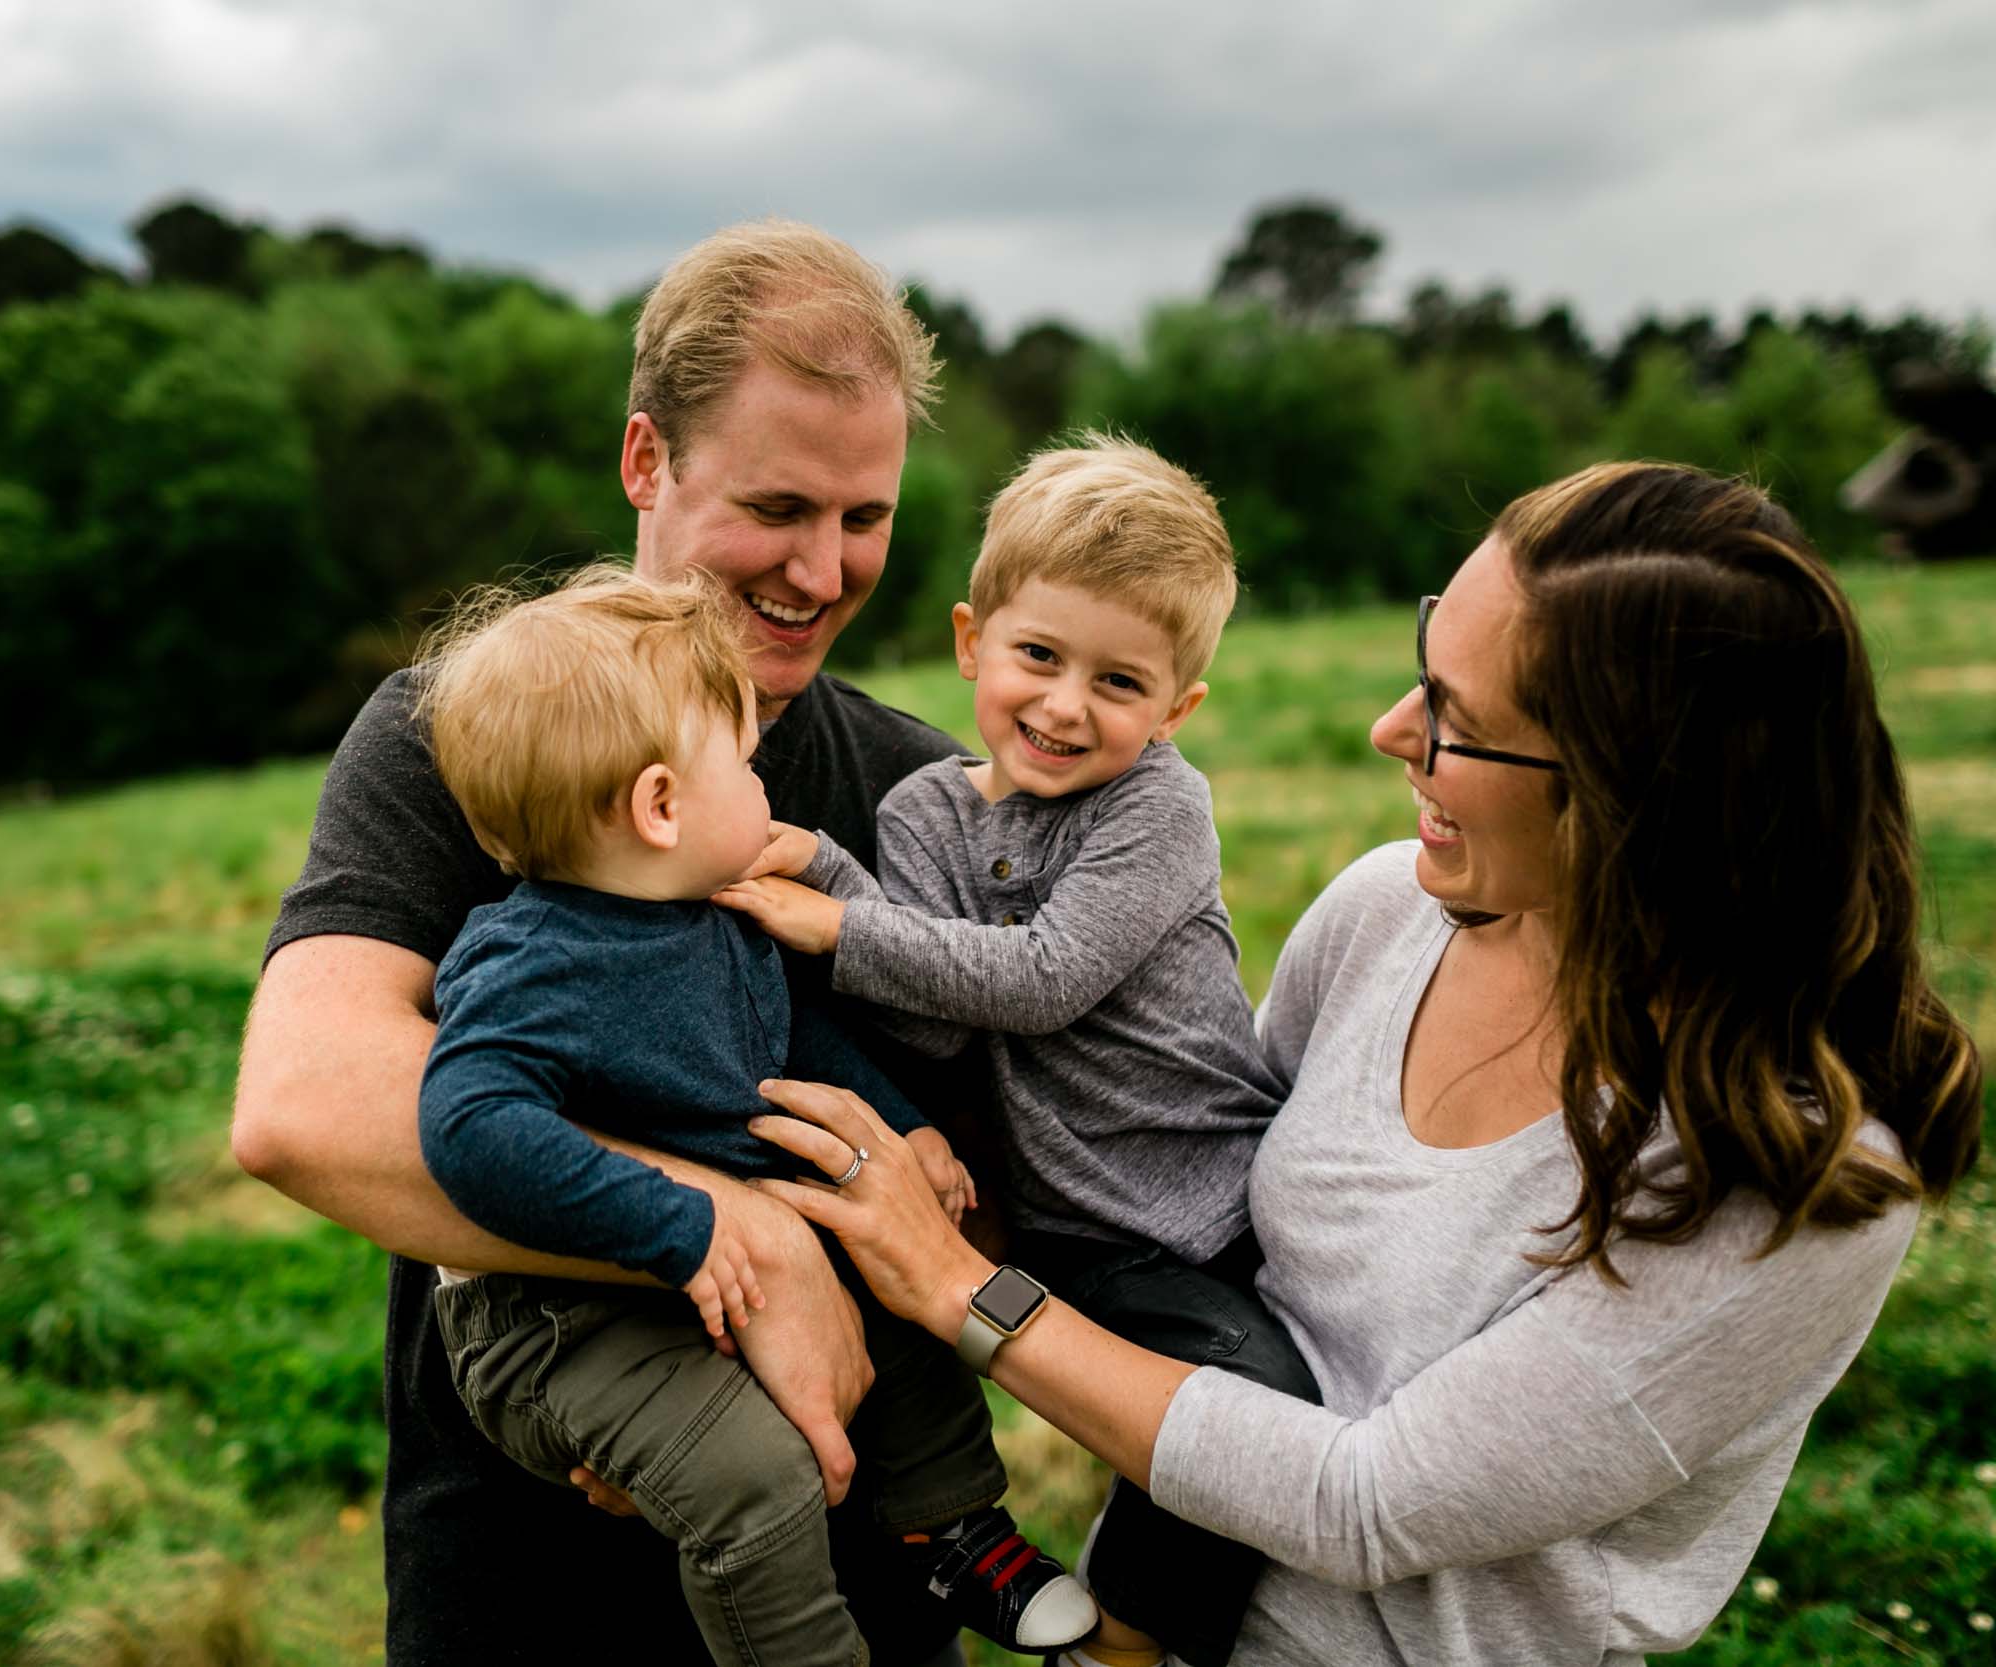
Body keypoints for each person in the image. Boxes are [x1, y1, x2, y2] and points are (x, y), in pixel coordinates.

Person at [730, 462, 1984, 1665]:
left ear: (1634, 795)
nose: (1392, 731)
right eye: (1419, 673)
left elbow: (1366, 1504)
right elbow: (1182, 1158)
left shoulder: (1783, 1170)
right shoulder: (1391, 911)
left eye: (1461, 722)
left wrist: (961, 1288)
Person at [231, 218, 991, 1664]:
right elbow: (307, 1106)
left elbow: (999, 1176)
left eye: (865, 517)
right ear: (647, 461)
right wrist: (736, 1241)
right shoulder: (463, 728)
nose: (822, 571)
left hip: (853, 1573)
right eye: (777, 505)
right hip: (522, 1583)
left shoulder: (922, 789)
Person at [412, 567, 1094, 1664]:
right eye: (741, 759)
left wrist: (899, 1129)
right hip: (562, 1318)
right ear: (659, 805)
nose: (762, 779)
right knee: (751, 1472)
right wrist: (689, 1224)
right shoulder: (528, 960)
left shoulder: (715, 917)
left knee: (899, 1281)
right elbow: (470, 1127)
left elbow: (787, 1048)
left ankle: (952, 1523)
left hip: (691, 1282)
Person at [717, 435, 1316, 1667]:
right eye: (1037, 655)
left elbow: (1040, 982)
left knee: (1247, 1413)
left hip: (1194, 1215)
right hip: (1051, 1221)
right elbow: (936, 1015)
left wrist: (836, 910)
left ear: (1176, 709)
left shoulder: (1157, 806)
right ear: (969, 641)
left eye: (1118, 681)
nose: (1062, 704)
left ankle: (1131, 1639)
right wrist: (832, 867)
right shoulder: (922, 808)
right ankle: (922, 1533)